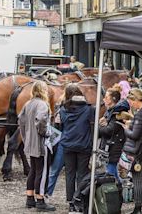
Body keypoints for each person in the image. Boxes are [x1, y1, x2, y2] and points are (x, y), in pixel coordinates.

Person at [18, 81, 55, 211]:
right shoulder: (43, 104)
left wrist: (25, 137)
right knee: (42, 171)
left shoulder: (28, 104)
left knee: (33, 170)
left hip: (30, 143)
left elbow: (21, 121)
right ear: (43, 90)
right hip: (41, 143)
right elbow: (41, 120)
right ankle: (40, 200)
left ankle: (30, 199)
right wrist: (46, 133)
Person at [60, 83, 95, 213]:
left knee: (69, 174)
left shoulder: (63, 108)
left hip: (68, 144)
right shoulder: (89, 109)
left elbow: (60, 125)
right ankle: (79, 200)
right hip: (84, 145)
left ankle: (70, 202)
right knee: (82, 174)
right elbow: (91, 127)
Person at [99, 84, 130, 182]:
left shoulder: (117, 113)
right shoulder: (109, 111)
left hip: (114, 145)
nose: (104, 99)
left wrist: (99, 126)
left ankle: (117, 193)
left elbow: (109, 130)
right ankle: (120, 190)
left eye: (106, 97)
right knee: (112, 171)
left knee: (111, 173)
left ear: (112, 99)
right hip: (109, 145)